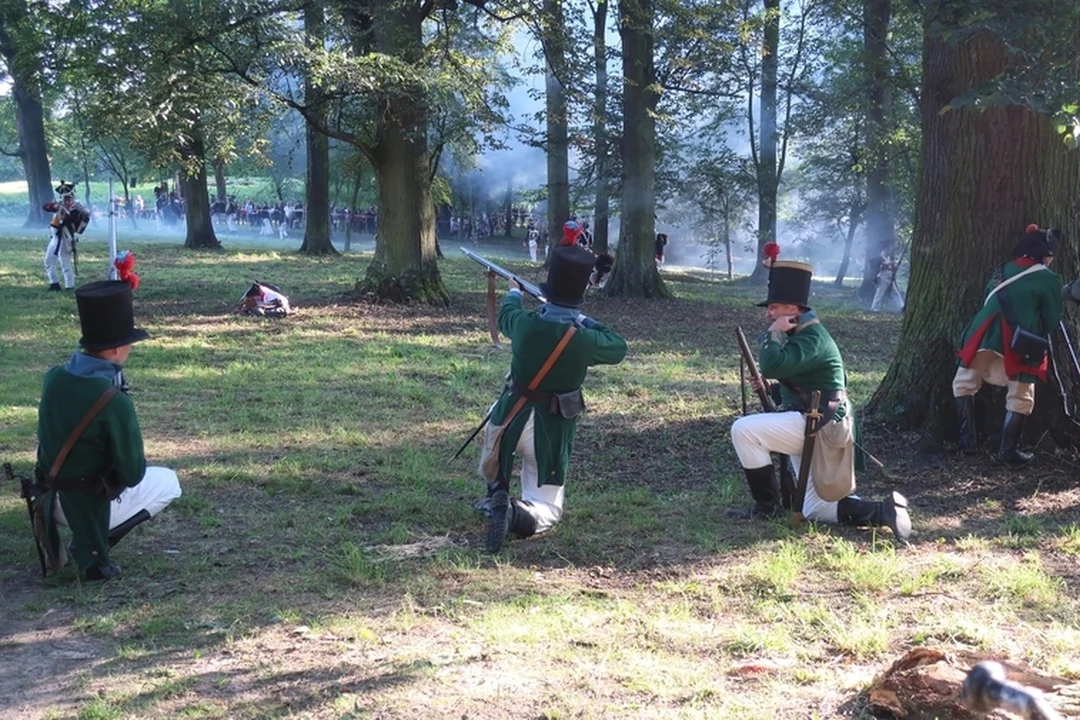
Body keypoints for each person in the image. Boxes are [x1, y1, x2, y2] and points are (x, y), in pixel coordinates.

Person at [727, 246, 911, 543]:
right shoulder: (801, 335)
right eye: (771, 309)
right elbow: (802, 379)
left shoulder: (812, 336)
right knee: (816, 508)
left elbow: (773, 363)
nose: (770, 313)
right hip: (809, 416)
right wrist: (771, 388)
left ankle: (766, 506)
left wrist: (774, 333)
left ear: (793, 309)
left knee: (744, 430)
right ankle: (882, 512)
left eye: (774, 307)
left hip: (822, 424)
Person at [476, 244, 627, 553]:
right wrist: (582, 318)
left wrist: (514, 291)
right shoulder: (583, 338)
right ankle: (515, 513)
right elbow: (617, 347)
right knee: (548, 508)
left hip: (508, 420)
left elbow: (507, 315)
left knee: (496, 451)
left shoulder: (526, 324)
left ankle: (497, 496)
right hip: (551, 428)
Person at [32, 279, 182, 581]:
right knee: (168, 482)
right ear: (115, 349)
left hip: (48, 501)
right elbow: (133, 474)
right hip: (86, 504)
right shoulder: (114, 402)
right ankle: (95, 548)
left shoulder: (53, 377)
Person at [953, 224, 1063, 463]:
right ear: (1043, 255)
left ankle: (967, 445)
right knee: (1021, 393)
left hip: (981, 332)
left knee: (964, 383)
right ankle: (1008, 452)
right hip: (1017, 339)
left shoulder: (1001, 269)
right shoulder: (1048, 278)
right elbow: (1053, 318)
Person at [43, 181, 89, 291]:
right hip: (55, 238)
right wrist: (57, 206)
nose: (66, 201)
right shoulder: (60, 206)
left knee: (65, 264)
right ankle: (54, 284)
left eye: (68, 198)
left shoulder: (77, 210)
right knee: (48, 261)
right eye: (64, 198)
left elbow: (71, 220)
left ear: (73, 198)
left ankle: (69, 286)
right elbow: (45, 207)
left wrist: (65, 212)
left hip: (65, 238)